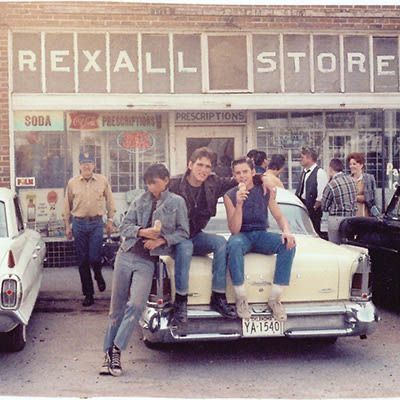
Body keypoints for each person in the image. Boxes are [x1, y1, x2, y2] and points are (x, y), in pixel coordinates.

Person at [100, 164, 189, 377]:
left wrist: (161, 240)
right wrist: (142, 232)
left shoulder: (177, 202)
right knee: (116, 308)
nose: (151, 187)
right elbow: (125, 227)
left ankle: (117, 349)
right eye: (148, 183)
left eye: (154, 182)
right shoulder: (141, 200)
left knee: (137, 305)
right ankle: (109, 354)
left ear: (166, 180)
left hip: (147, 262)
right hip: (126, 255)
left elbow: (183, 233)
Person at [169, 147, 237, 325]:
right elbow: (154, 198)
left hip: (196, 235)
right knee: (186, 247)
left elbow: (236, 180)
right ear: (189, 165)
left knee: (221, 242)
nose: (203, 170)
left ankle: (219, 296)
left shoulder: (213, 183)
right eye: (200, 164)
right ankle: (181, 302)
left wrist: (262, 178)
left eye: (208, 166)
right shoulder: (174, 184)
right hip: (177, 238)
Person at [224, 157, 296, 321]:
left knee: (288, 244)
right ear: (234, 176)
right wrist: (239, 204)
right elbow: (234, 230)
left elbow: (278, 215)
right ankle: (241, 298)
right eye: (238, 173)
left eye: (245, 172)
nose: (242, 176)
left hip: (261, 234)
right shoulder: (229, 195)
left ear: (253, 172)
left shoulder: (264, 189)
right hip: (242, 236)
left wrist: (286, 231)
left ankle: (275, 298)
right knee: (233, 244)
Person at [63, 152, 116, 307]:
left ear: (94, 165)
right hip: (78, 224)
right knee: (82, 261)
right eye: (84, 163)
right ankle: (88, 294)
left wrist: (110, 221)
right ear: (79, 165)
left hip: (96, 224)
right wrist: (67, 226)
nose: (87, 166)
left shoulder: (102, 181)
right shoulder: (72, 183)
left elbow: (110, 202)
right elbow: (67, 206)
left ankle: (98, 275)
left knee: (94, 256)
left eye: (90, 162)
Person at [321, 158, 357, 244]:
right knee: (349, 246)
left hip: (336, 220)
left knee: (335, 247)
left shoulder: (332, 184)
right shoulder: (352, 181)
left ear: (330, 169)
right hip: (351, 219)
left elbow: (324, 206)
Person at [295, 147, 328, 237]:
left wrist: (314, 207)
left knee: (314, 233)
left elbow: (322, 194)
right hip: (303, 208)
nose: (300, 160)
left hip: (313, 210)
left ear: (309, 158)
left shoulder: (320, 172)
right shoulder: (304, 172)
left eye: (302, 157)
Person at [347, 152, 380, 217]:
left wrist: (377, 214)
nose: (351, 166)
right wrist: (360, 198)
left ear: (361, 165)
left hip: (366, 214)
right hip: (351, 216)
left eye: (354, 164)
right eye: (350, 164)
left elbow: (373, 197)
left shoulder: (369, 178)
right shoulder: (347, 180)